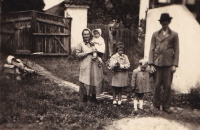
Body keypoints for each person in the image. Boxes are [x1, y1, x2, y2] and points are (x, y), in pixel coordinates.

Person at [148, 13, 179, 114]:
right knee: (157, 85)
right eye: (163, 21)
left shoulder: (174, 34)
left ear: (169, 22)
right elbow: (151, 49)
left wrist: (174, 64)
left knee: (168, 85)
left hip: (169, 63)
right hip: (157, 63)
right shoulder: (155, 34)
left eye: (166, 21)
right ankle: (155, 105)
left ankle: (166, 106)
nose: (164, 23)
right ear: (160, 23)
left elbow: (177, 50)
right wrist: (151, 64)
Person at [76, 28, 105, 103]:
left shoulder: (93, 43)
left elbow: (100, 52)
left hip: (94, 65)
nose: (86, 36)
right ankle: (85, 97)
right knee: (85, 80)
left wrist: (99, 57)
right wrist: (88, 52)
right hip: (85, 65)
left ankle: (93, 97)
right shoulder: (80, 44)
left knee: (93, 79)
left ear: (90, 35)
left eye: (87, 34)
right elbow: (78, 55)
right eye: (84, 34)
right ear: (82, 35)